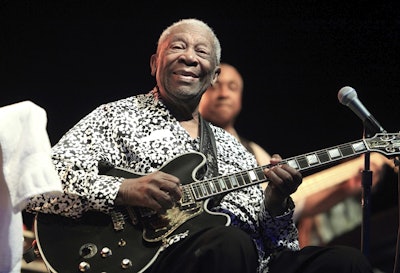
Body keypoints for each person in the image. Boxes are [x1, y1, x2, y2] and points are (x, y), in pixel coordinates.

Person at [26, 18, 373, 273]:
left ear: (214, 74)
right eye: (177, 47)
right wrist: (125, 189)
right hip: (153, 261)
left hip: (247, 261)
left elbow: (279, 245)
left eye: (201, 51)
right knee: (228, 243)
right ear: (154, 64)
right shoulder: (116, 116)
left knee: (347, 262)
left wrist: (276, 200)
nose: (189, 57)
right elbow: (44, 186)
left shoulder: (236, 149)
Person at [199, 62, 396, 272]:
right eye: (215, 85)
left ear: (240, 98)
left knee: (350, 261)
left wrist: (345, 189)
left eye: (233, 87)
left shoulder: (254, 151)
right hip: (213, 249)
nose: (223, 93)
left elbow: (299, 203)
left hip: (260, 255)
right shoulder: (186, 139)